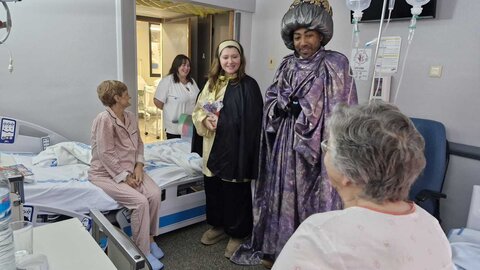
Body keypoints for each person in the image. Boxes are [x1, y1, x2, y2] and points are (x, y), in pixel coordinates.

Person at [231, 0, 358, 267]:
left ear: (321, 35)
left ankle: (312, 257)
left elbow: (342, 107)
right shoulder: (287, 64)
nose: (303, 41)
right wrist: (280, 106)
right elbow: (272, 98)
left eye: (309, 35)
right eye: (297, 36)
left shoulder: (336, 64)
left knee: (315, 201)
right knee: (284, 196)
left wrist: (306, 108)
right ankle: (280, 249)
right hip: (286, 145)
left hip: (320, 147)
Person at [273, 101, 454, 270]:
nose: (324, 151)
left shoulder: (319, 236)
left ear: (348, 173)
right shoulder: (431, 226)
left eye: (328, 146)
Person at [192, 40, 264, 259]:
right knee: (213, 188)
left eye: (234, 56)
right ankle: (219, 225)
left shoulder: (249, 85)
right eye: (226, 57)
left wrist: (227, 124)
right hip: (212, 145)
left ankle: (238, 233)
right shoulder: (212, 83)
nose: (230, 61)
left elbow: (253, 122)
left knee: (235, 192)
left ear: (240, 59)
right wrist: (204, 121)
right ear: (219, 60)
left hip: (235, 148)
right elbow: (198, 110)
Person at [88, 80, 164, 270]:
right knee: (140, 202)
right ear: (117, 98)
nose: (129, 96)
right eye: (126, 94)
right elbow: (105, 153)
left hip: (132, 168)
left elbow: (139, 143)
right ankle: (142, 252)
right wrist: (124, 177)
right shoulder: (104, 120)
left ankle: (150, 239)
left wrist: (139, 165)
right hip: (105, 174)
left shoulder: (130, 116)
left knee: (154, 194)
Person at [154, 54, 200, 139]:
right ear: (177, 66)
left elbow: (198, 99)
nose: (186, 68)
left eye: (188, 66)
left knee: (187, 149)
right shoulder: (167, 81)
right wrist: (170, 110)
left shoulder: (192, 82)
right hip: (174, 125)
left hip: (188, 123)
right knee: (176, 149)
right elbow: (157, 101)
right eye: (183, 65)